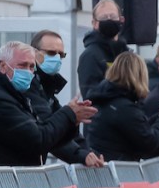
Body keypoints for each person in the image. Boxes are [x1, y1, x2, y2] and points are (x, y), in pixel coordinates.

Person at [0, 41, 97, 167]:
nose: (29, 72)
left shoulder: (19, 96)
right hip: (4, 183)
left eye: (31, 67)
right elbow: (37, 140)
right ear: (3, 66)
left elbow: (48, 140)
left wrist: (72, 120)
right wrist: (68, 114)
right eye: (23, 65)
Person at [84, 51, 159, 161]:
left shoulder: (105, 99)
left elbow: (136, 129)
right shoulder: (124, 107)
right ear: (140, 75)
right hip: (121, 170)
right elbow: (149, 142)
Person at [28, 30, 104, 167]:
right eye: (51, 53)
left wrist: (90, 153)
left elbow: (61, 129)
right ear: (33, 53)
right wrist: (70, 114)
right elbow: (49, 132)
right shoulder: (29, 86)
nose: (57, 58)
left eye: (61, 55)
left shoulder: (46, 88)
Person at [77, 0, 129, 98]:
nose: (109, 20)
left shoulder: (126, 52)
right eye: (104, 18)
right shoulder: (90, 56)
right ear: (95, 23)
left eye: (113, 16)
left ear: (121, 20)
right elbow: (90, 94)